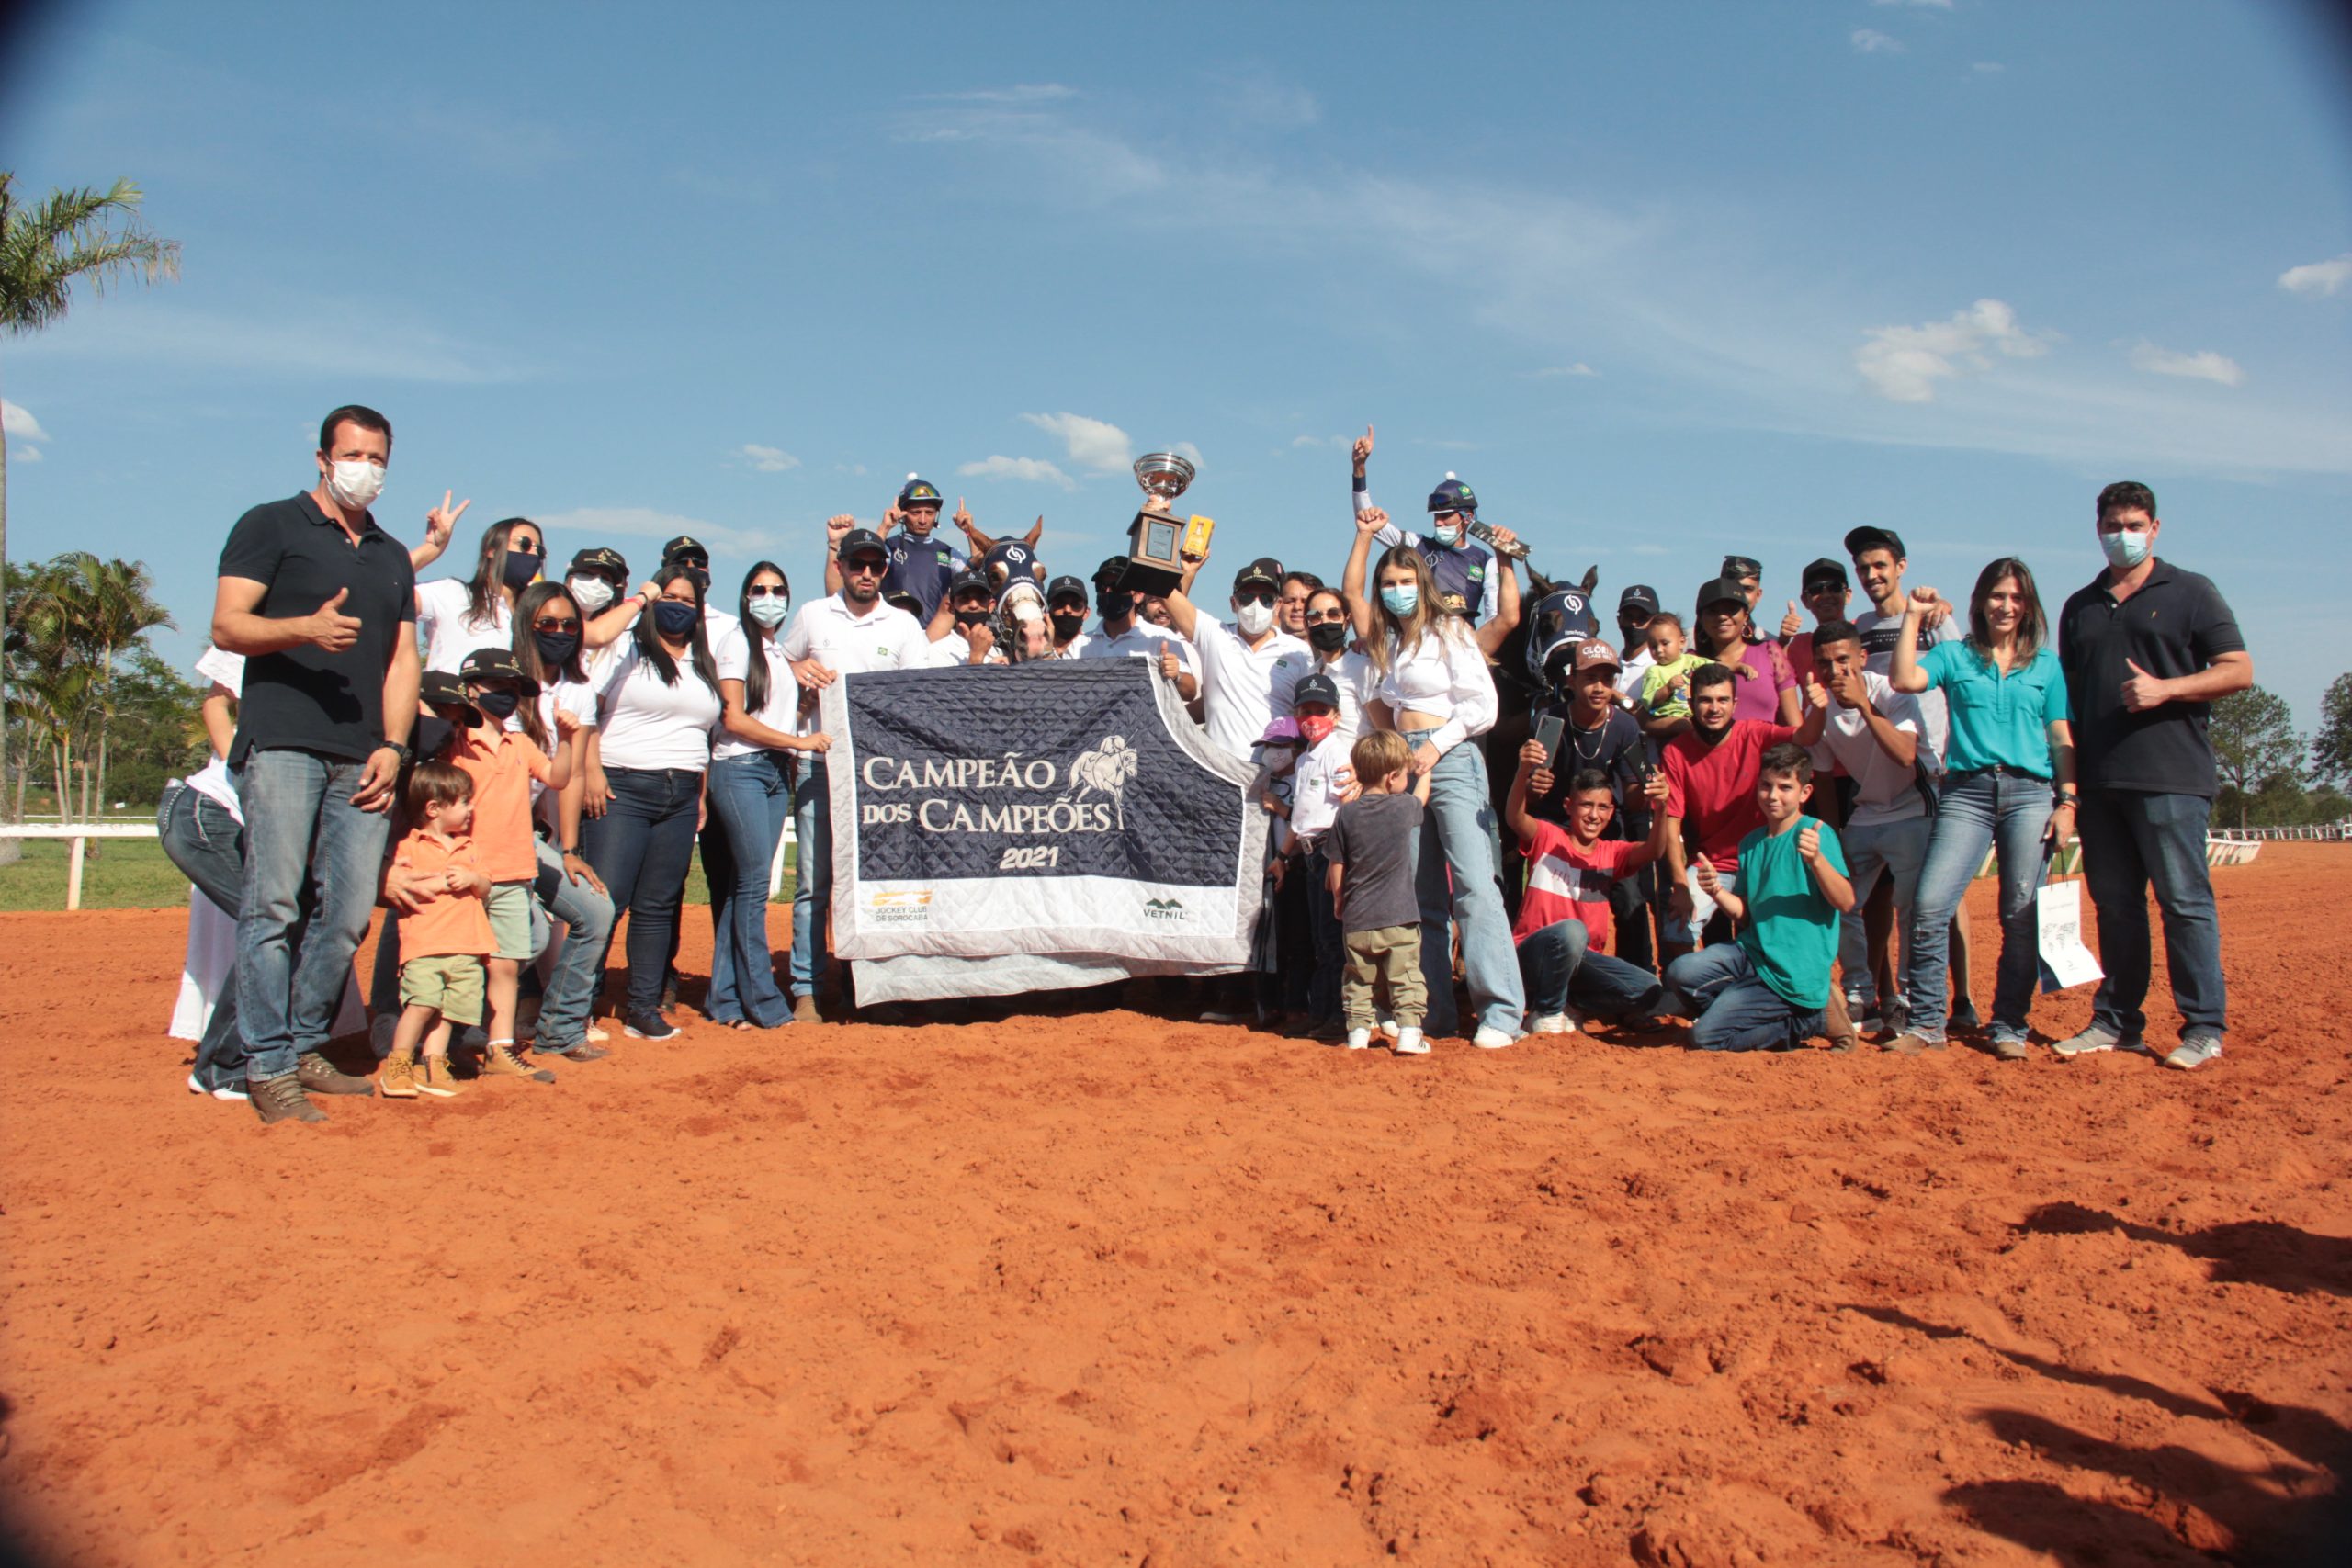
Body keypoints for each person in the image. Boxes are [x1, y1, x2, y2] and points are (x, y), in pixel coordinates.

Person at [210, 403, 431, 1124]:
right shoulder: (269, 525)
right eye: (354, 454)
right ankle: (266, 1063)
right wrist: (303, 627)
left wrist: (394, 747)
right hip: (283, 742)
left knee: (344, 915)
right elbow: (227, 624)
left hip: (364, 753)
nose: (365, 469)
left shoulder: (393, 555)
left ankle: (305, 1041)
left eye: (378, 459)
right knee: (273, 904)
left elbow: (404, 659)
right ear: (322, 457)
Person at [2054, 481, 2251, 1069]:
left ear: (2155, 528)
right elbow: (2066, 697)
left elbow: (2239, 668)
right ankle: (2116, 1021)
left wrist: (2168, 689)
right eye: (2114, 524)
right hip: (2102, 781)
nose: (2124, 535)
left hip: (2171, 776)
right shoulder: (2081, 605)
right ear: (2098, 530)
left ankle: (2203, 1028)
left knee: (2184, 901)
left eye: (2135, 524)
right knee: (2115, 906)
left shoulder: (2191, 592)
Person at [1342, 508, 1526, 1047]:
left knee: (1474, 884)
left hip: (1454, 758)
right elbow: (1377, 699)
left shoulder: (1450, 631)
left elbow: (1481, 706)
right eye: (1389, 583)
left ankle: (1501, 1013)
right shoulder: (1386, 643)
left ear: (1421, 584)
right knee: (1418, 894)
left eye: (1405, 581)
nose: (1397, 590)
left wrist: (1435, 749)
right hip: (1404, 764)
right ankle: (1430, 1013)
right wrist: (1398, 754)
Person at [1886, 560, 2077, 1059]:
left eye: (2016, 597)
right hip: (1966, 792)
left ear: (2029, 605)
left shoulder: (2047, 666)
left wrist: (2069, 800)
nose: (2006, 606)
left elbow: (2060, 738)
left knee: (2019, 913)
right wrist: (1912, 615)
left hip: (2031, 793)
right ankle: (1927, 1023)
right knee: (1929, 905)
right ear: (1980, 601)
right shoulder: (1955, 655)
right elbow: (1905, 679)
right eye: (1997, 595)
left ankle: (2009, 1025)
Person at [780, 525, 932, 1021]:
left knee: (877, 881)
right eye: (856, 564)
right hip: (819, 765)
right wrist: (797, 671)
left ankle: (867, 981)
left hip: (880, 776)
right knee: (814, 882)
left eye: (875, 565)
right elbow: (777, 662)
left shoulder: (903, 626)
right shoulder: (812, 616)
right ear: (840, 566)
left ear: (885, 570)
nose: (866, 573)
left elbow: (922, 695)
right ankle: (806, 986)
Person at [581, 564, 722, 1040]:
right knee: (607, 900)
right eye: (670, 597)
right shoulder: (624, 649)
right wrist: (592, 772)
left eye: (688, 600)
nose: (678, 606)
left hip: (681, 793)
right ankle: (576, 1007)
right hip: (622, 786)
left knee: (658, 904)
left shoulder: (702, 664)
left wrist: (698, 796)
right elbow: (587, 714)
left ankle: (642, 1007)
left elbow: (703, 734)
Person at [1846, 524, 1973, 1032]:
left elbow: (1962, 682)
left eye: (1880, 565)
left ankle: (1960, 998)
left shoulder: (1935, 618)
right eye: (1864, 568)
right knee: (1877, 897)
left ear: (1901, 566)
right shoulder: (1859, 625)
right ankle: (1884, 994)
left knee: (1942, 894)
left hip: (1934, 770)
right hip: (1880, 773)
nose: (1873, 574)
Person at [1792, 619, 1934, 1043]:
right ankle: (1861, 996)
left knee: (1912, 911)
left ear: (1862, 659)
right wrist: (1833, 835)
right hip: (1866, 812)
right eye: (1825, 663)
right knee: (1842, 901)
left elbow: (1906, 755)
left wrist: (1864, 707)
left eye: (1843, 661)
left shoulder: (1891, 691)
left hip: (1912, 809)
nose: (1835, 671)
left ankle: (1908, 1004)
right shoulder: (1820, 704)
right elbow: (1817, 766)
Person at [1663, 743, 1855, 1051]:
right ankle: (1744, 1012)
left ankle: (1812, 1020)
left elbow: (1845, 901)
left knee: (1705, 1039)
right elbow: (1746, 914)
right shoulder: (1751, 843)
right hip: (1752, 954)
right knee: (1680, 973)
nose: (1773, 795)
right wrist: (1716, 890)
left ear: (1805, 792)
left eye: (1785, 787)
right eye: (1766, 786)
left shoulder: (1817, 833)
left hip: (1791, 972)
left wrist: (1817, 861)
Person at [707, 563, 831, 1029]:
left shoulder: (774, 651)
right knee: (755, 887)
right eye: (760, 589)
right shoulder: (736, 643)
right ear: (745, 596)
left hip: (776, 771)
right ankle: (762, 1000)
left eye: (779, 590)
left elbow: (780, 714)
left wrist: (813, 697)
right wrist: (800, 744)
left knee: (745, 887)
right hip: (742, 769)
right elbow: (733, 719)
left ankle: (725, 999)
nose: (770, 597)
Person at [449, 646, 571, 1079]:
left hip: (515, 869)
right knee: (458, 963)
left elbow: (557, 778)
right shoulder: (453, 742)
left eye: (512, 689)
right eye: (495, 686)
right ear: (470, 690)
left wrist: (569, 739)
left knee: (506, 964)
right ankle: (442, 1047)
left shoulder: (519, 743)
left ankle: (499, 1046)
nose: (505, 695)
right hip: (464, 871)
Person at [509, 581, 616, 1061]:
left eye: (569, 625)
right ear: (526, 626)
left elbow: (569, 777)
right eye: (547, 624)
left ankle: (561, 1028)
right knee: (523, 932)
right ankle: (467, 1032)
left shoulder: (579, 687)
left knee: (595, 912)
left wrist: (569, 851)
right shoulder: (503, 679)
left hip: (528, 835)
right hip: (484, 832)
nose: (559, 632)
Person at [1505, 753, 1672, 1037]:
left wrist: (1661, 808)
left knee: (1648, 988)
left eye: (1602, 807)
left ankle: (1570, 1003)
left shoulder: (1612, 852)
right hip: (1533, 956)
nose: (1594, 815)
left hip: (1581, 964)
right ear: (1569, 807)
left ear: (1610, 812)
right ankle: (1545, 1012)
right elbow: (1515, 817)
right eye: (1586, 805)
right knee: (1572, 932)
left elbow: (1654, 851)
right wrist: (1523, 772)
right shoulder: (1548, 836)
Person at [1525, 637, 1657, 973]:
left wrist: (1652, 792)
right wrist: (1534, 784)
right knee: (1540, 896)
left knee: (1630, 897)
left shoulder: (1626, 726)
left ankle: (1638, 980)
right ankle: (1536, 972)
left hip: (1606, 830)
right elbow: (1533, 789)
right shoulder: (1551, 720)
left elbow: (1632, 797)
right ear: (1571, 680)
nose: (1599, 687)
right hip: (1556, 828)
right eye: (1590, 678)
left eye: (1607, 679)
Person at [1656, 663, 1801, 954]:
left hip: (1761, 860)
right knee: (1676, 930)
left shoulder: (1755, 734)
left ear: (1735, 703)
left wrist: (1821, 707)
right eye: (1705, 700)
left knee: (1767, 940)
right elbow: (1671, 823)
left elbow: (1805, 737)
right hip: (1712, 864)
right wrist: (1681, 886)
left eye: (1722, 700)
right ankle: (1680, 996)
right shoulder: (1675, 751)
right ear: (1691, 701)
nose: (1714, 708)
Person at [378, 761, 493, 1100]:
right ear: (434, 808)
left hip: (467, 945)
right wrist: (443, 881)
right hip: (425, 945)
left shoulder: (469, 847)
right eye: (463, 801)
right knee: (422, 1005)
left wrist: (473, 880)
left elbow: (486, 885)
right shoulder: (408, 847)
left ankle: (433, 1065)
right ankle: (398, 1065)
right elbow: (400, 883)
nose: (471, 808)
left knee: (449, 1011)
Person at [1327, 729, 1430, 1055]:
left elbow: (1336, 862)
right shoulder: (1402, 808)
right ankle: (1410, 1033)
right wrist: (1426, 773)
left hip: (1358, 919)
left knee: (1358, 979)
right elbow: (1421, 800)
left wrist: (1339, 898)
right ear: (1393, 777)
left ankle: (1357, 1032)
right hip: (1399, 916)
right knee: (1406, 977)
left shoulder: (1347, 813)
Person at [1162, 547, 1310, 762]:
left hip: (1277, 775)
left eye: (1266, 599)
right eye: (1248, 597)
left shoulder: (1298, 651)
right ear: (1234, 603)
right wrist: (1188, 572)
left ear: (1277, 605)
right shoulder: (1214, 635)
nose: (1256, 605)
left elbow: (1308, 714)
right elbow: (1164, 591)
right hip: (1220, 774)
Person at [1349, 425, 1503, 626]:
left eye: (1446, 516)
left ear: (1468, 516)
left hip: (1462, 646)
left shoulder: (1486, 561)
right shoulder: (1418, 544)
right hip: (1417, 640)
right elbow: (1367, 522)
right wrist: (1359, 469)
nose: (1439, 522)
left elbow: (1495, 616)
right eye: (1436, 516)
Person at [1273, 671, 1356, 1037]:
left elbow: (1345, 810)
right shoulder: (1307, 759)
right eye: (1305, 711)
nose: (1312, 719)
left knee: (1331, 939)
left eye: (1320, 711)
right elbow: (1302, 817)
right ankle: (1322, 1013)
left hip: (1328, 853)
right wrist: (1282, 856)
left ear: (1336, 716)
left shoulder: (1338, 753)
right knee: (1319, 938)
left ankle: (1337, 1016)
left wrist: (1337, 859)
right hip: (1309, 855)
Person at [411, 514, 540, 675]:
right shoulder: (452, 594)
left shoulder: (537, 618)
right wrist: (429, 550)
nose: (533, 553)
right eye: (525, 544)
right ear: (491, 550)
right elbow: (388, 592)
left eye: (539, 550)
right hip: (450, 698)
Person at [1079, 557, 1201, 702]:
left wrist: (1176, 676)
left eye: (1118, 586)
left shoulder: (1160, 638)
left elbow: (1190, 691)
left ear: (1138, 595)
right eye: (1101, 586)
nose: (1109, 591)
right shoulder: (1080, 644)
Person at [1692, 577, 1799, 726]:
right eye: (1713, 611)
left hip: (1767, 748)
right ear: (1701, 619)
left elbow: (1795, 727)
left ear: (1745, 616)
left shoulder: (1770, 652)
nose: (1722, 617)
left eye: (1731, 610)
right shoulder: (1688, 662)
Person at [1778, 558, 1853, 691]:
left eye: (1834, 587)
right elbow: (1771, 676)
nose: (1825, 595)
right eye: (1815, 590)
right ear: (1805, 600)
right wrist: (1783, 640)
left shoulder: (1864, 631)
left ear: (1847, 595)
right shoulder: (1799, 646)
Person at [1635, 614, 1708, 733]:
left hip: (1694, 717)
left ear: (1682, 642)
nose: (1659, 650)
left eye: (1665, 643)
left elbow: (1716, 667)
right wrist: (1667, 688)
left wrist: (1737, 666)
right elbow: (1649, 701)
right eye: (1653, 646)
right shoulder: (1654, 671)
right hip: (1668, 721)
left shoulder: (1692, 661)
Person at [1613, 585, 1661, 705]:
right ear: (1619, 620)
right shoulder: (1609, 666)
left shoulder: (1660, 667)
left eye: (1642, 619)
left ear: (1655, 622)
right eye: (1629, 617)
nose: (1634, 624)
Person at [1045, 575, 1091, 656]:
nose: (1067, 610)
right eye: (1059, 604)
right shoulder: (1034, 651)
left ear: (1086, 613)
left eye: (1075, 604)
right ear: (1048, 612)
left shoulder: (1094, 648)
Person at [1277, 570, 1324, 640]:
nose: (1297, 607)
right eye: (1291, 601)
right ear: (1278, 605)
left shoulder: (1334, 650)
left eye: (1305, 601)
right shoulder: (1263, 650)